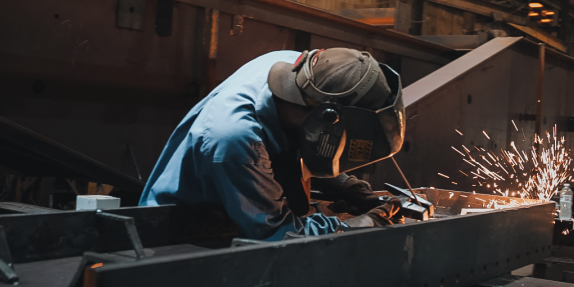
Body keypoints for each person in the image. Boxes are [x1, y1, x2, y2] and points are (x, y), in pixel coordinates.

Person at [139, 48, 406, 241]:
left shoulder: (294, 67)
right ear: (327, 119)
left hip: (240, 206)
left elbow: (299, 143)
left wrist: (344, 184)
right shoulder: (237, 139)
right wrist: (367, 223)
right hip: (185, 236)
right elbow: (279, 234)